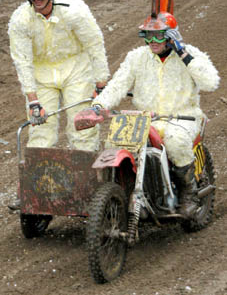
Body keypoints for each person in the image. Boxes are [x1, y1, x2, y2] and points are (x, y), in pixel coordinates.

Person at [85, 11, 220, 218]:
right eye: (148, 35)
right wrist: (97, 105)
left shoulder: (190, 54)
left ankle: (188, 194)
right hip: (146, 119)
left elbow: (211, 82)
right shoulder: (136, 57)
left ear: (171, 36)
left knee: (175, 141)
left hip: (182, 118)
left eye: (158, 36)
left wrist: (183, 54)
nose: (152, 41)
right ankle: (118, 194)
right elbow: (117, 85)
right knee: (115, 144)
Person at [8, 0, 110, 153]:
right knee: (40, 129)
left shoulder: (74, 10)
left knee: (82, 126)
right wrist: (32, 99)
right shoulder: (20, 19)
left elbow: (94, 44)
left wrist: (101, 83)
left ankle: (86, 170)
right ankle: (39, 176)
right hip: (42, 75)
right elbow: (22, 60)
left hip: (76, 69)